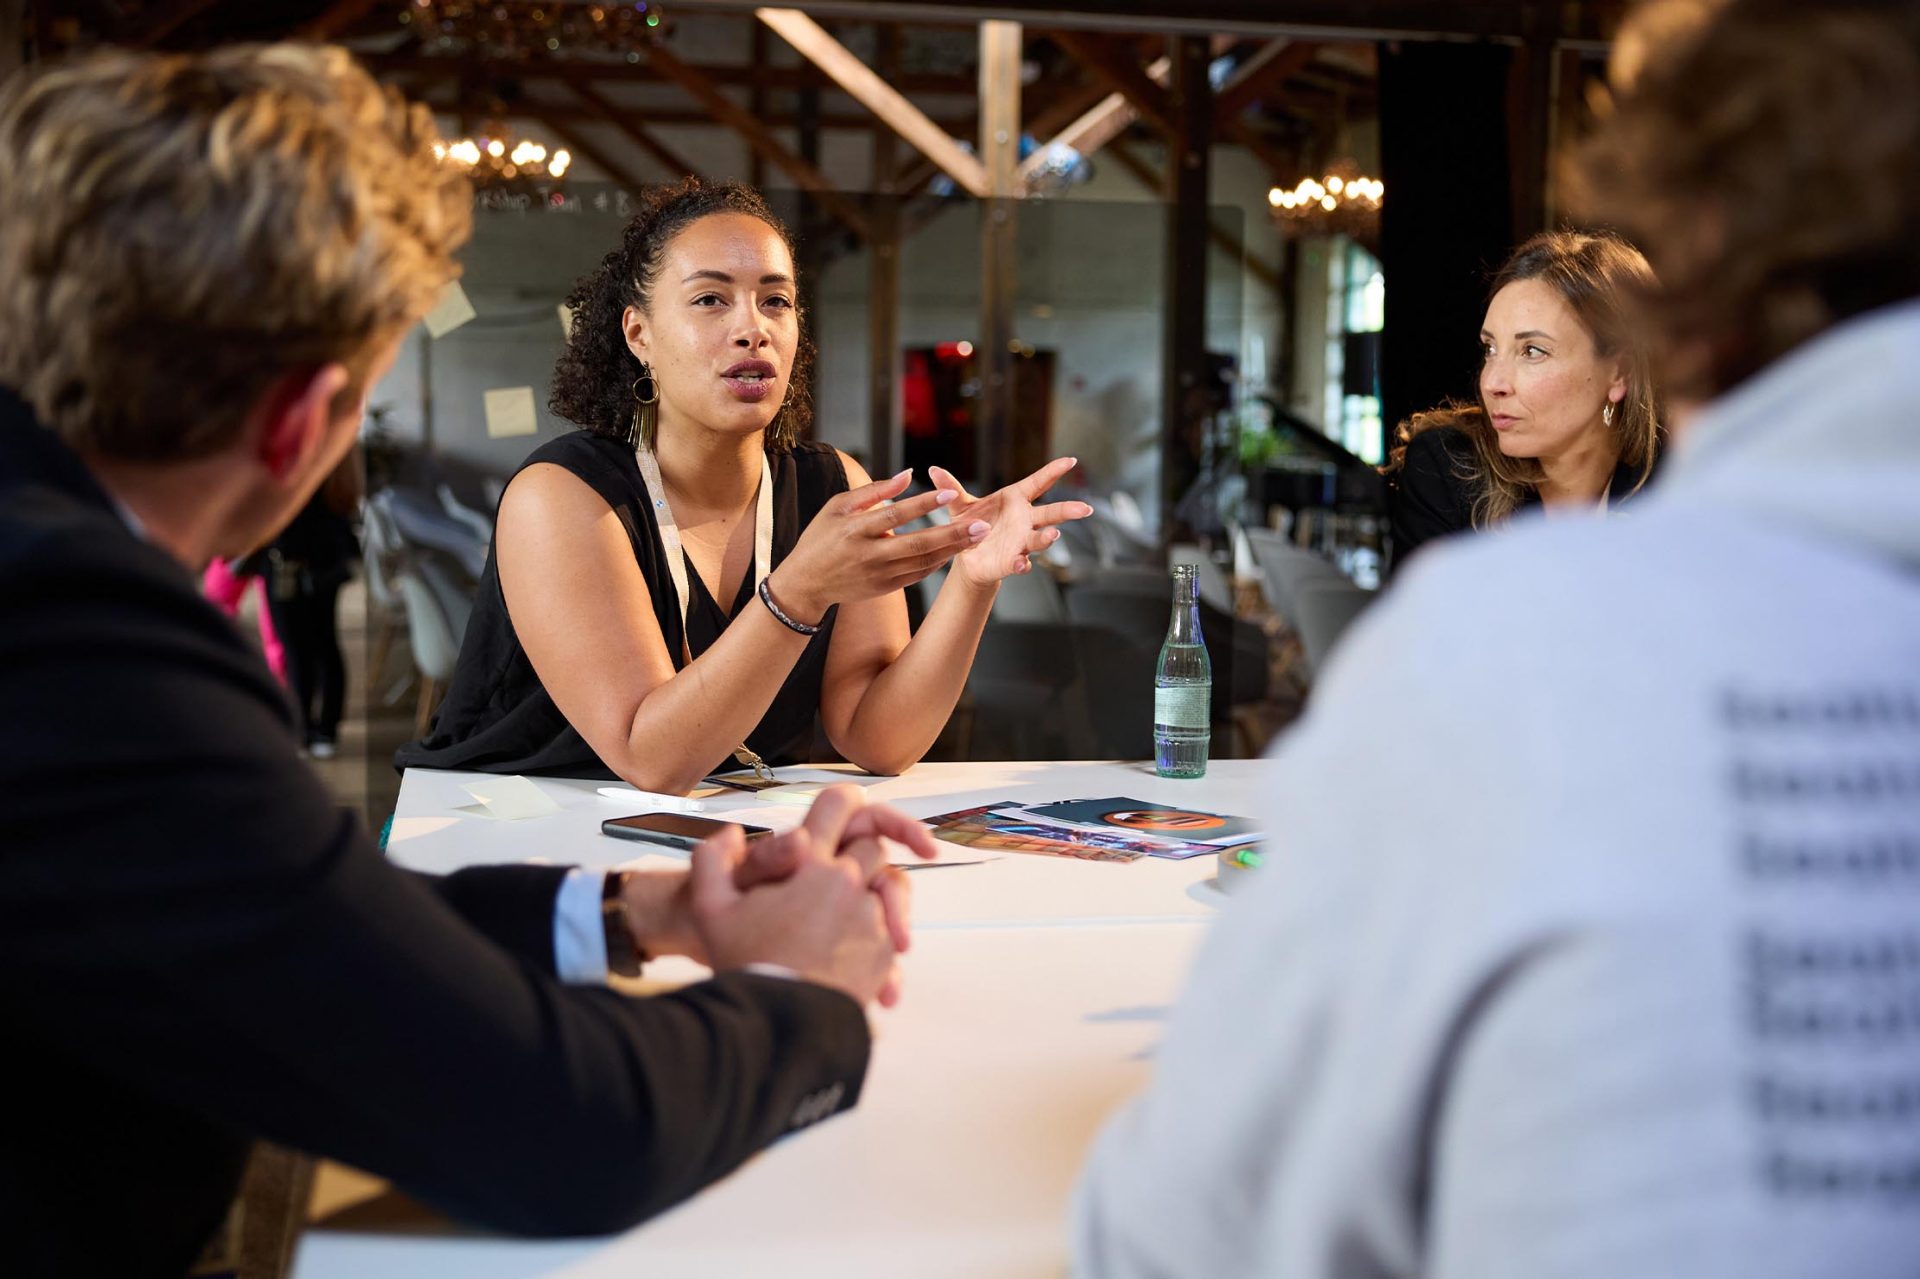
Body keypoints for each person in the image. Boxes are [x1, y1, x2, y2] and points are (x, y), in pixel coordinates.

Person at [0, 44, 938, 1278]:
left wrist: (636, 909)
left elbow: (302, 907)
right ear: (300, 423)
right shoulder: (88, 646)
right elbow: (567, 1130)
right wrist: (810, 993)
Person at [1074, 0, 1920, 1275]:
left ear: (1680, 289)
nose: (1500, 380)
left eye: (1536, 349)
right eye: (1495, 349)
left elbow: (1177, 1228)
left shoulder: (1510, 648)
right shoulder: (1483, 540)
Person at [395, 178, 1092, 793]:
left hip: (698, 847)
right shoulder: (564, 495)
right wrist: (801, 590)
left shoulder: (830, 484)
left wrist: (972, 580)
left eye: (776, 301)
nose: (751, 328)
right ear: (638, 334)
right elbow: (652, 756)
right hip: (503, 837)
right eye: (709, 299)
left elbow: (879, 739)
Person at [1385, 229, 1662, 570]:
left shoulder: (1678, 481)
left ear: (1620, 373)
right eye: (1490, 349)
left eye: (1532, 351)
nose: (1492, 383)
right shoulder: (1448, 468)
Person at [265, 448, 361, 756]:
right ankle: (322, 731)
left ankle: (305, 730)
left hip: (289, 560)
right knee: (323, 644)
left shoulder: (299, 451)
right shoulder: (338, 454)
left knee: (300, 649)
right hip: (323, 560)